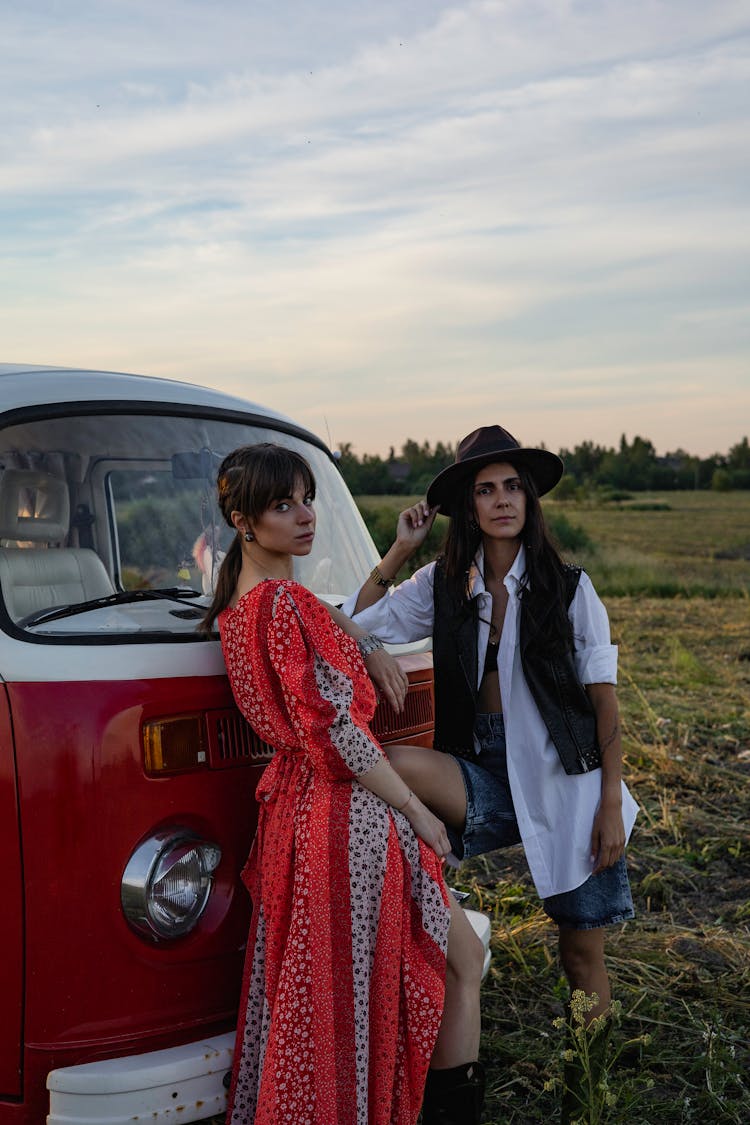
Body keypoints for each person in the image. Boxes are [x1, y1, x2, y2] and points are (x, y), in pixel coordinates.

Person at [341, 425, 639, 1123]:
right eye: (485, 489)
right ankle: (425, 938)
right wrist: (399, 549)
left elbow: (605, 706)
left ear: (529, 501)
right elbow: (355, 621)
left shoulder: (569, 589)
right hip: (484, 770)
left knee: (579, 954)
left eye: (512, 486)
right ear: (467, 506)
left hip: (568, 783)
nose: (502, 500)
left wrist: (607, 803)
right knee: (385, 767)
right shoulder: (445, 583)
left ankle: (586, 1092)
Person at [200, 443, 485, 1125]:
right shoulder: (280, 605)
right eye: (282, 504)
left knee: (373, 990)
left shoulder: (246, 608)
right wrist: (419, 809)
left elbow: (319, 618)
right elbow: (338, 734)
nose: (305, 515)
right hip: (348, 815)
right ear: (243, 520)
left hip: (310, 814)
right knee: (397, 985)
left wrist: (372, 616)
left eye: (307, 497)